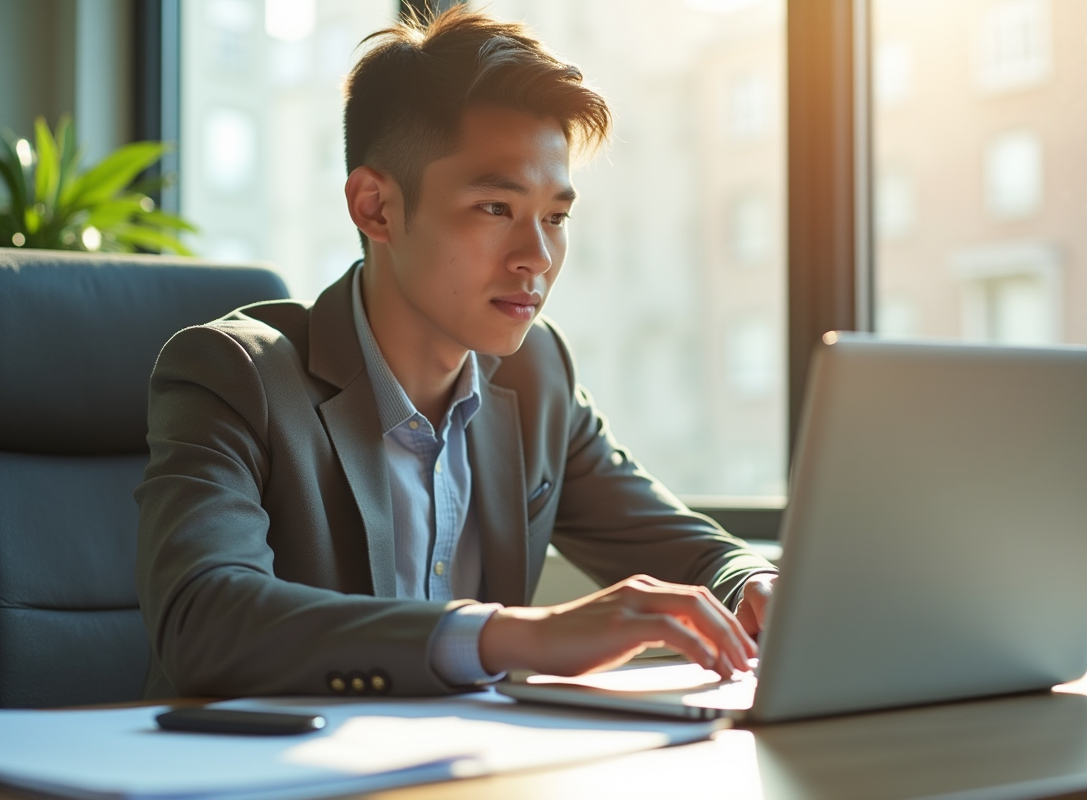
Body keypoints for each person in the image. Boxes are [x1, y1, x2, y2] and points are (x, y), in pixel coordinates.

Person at [135, 6, 778, 700]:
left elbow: (679, 544)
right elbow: (203, 619)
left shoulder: (537, 375)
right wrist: (516, 634)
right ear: (375, 207)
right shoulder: (235, 375)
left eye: (556, 217)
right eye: (495, 209)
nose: (537, 257)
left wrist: (753, 584)